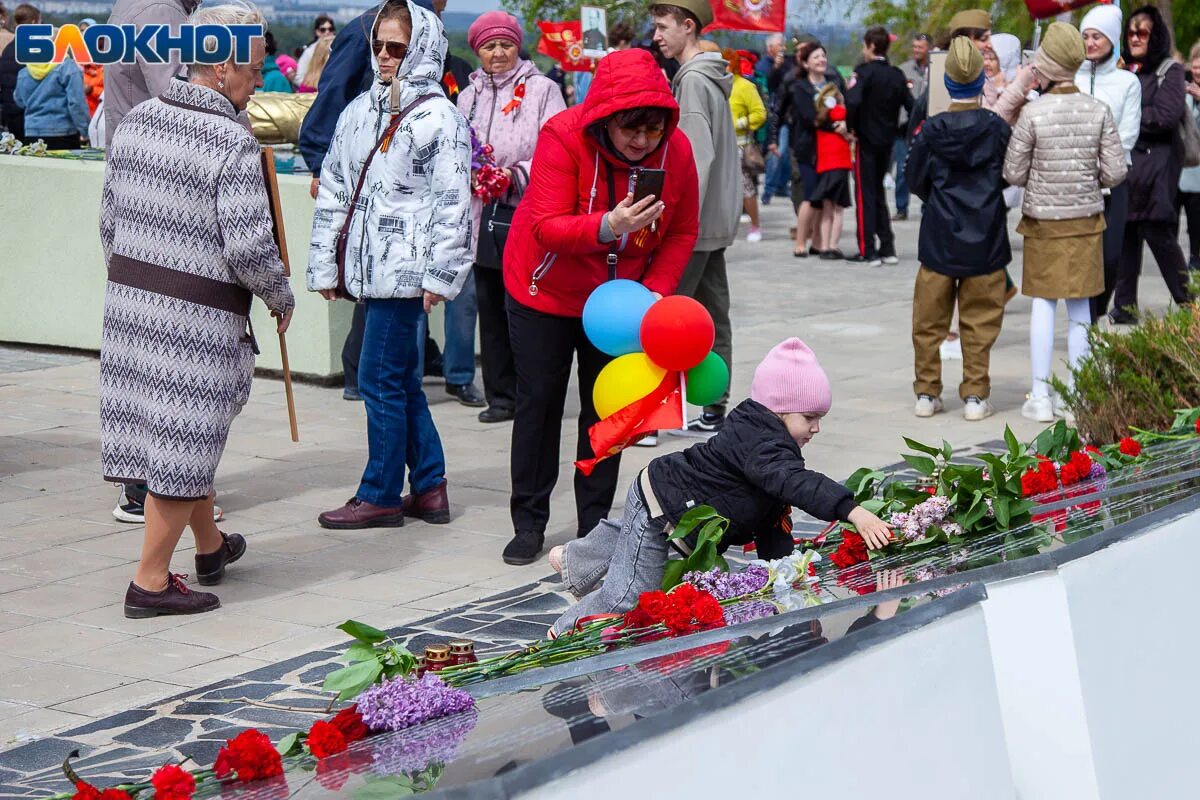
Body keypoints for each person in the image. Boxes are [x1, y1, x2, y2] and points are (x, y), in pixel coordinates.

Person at [100, 2, 294, 618]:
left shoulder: (135, 124)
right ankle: (150, 581)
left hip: (131, 308)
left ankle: (210, 548)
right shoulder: (231, 141)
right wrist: (278, 294)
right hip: (195, 320)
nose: (259, 83)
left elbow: (107, 224)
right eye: (255, 70)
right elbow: (247, 244)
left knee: (178, 435)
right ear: (225, 66)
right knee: (183, 441)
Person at [546, 338, 893, 635]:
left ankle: (574, 559)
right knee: (630, 595)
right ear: (780, 411)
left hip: (680, 499)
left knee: (626, 536)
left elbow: (773, 520)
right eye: (809, 418)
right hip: (662, 505)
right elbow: (797, 484)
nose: (816, 428)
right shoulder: (764, 448)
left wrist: (788, 579)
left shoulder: (772, 447)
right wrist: (853, 511)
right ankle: (561, 634)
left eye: (820, 419)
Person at [500, 47, 700, 564]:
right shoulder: (563, 136)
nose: (642, 141)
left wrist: (654, 291)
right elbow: (545, 226)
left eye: (652, 130)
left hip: (618, 304)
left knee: (605, 410)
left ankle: (594, 526)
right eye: (630, 129)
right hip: (545, 289)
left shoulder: (675, 152)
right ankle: (530, 520)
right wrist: (610, 226)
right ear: (605, 119)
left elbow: (681, 231)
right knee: (539, 402)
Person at [308, 0, 472, 531]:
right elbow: (334, 188)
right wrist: (326, 266)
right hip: (368, 268)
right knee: (399, 381)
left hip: (406, 275)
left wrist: (441, 276)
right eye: (378, 44)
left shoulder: (439, 117)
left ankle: (379, 492)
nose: (383, 56)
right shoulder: (360, 110)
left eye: (396, 47)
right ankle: (429, 487)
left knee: (379, 380)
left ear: (420, 48)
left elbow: (454, 202)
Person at [1003, 22, 1126, 423]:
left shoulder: (1034, 113)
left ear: (1047, 65)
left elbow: (1014, 171)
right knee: (1081, 311)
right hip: (1086, 220)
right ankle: (1077, 394)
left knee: (1043, 304)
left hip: (1042, 222)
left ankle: (1040, 393)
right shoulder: (1099, 110)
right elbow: (1115, 172)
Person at [458, 12, 566, 424]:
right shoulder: (467, 97)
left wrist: (514, 173)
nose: (498, 52)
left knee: (525, 303)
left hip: (526, 211)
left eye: (505, 44)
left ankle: (533, 391)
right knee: (488, 302)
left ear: (517, 46)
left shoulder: (542, 90)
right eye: (489, 46)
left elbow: (556, 148)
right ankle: (500, 396)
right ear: (478, 52)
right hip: (480, 214)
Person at [907, 37, 1011, 422]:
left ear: (947, 81)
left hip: (938, 236)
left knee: (928, 323)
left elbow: (915, 180)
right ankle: (975, 394)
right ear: (981, 80)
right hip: (986, 235)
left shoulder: (931, 130)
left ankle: (927, 391)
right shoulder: (997, 128)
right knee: (980, 322)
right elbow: (1007, 176)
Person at [652, 0, 739, 433]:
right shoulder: (712, 75)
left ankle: (652, 414)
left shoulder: (692, 82)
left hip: (695, 224)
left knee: (663, 318)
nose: (656, 36)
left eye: (663, 26)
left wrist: (674, 223)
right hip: (715, 221)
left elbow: (694, 160)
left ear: (689, 27)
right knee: (712, 314)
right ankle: (713, 408)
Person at [1111, 4, 1194, 322]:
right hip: (1130, 164)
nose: (1135, 37)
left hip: (1158, 165)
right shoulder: (1126, 70)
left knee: (1159, 233)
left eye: (1142, 31)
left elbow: (1166, 116)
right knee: (1128, 234)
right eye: (1131, 32)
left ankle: (1190, 304)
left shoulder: (1169, 70)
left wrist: (1129, 119)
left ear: (1155, 34)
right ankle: (1125, 306)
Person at [1074, 4, 1141, 322]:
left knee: (1111, 257)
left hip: (1114, 179)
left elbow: (1127, 135)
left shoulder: (1128, 83)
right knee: (1079, 257)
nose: (1089, 43)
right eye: (1085, 36)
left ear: (1112, 40)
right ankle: (1082, 322)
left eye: (1096, 37)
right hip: (1075, 180)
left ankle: (1096, 312)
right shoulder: (1071, 77)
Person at [770, 42, 845, 258]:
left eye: (823, 56)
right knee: (811, 195)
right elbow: (809, 118)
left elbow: (842, 108)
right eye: (815, 57)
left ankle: (819, 243)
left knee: (825, 198)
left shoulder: (833, 84)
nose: (821, 60)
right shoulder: (799, 87)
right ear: (805, 63)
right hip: (807, 148)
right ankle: (801, 242)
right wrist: (835, 126)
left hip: (830, 149)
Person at [845, 26, 912, 267]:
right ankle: (888, 247)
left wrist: (851, 127)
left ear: (871, 46)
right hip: (888, 140)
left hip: (866, 140)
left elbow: (852, 101)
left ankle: (867, 249)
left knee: (865, 194)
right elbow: (911, 105)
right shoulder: (896, 74)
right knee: (880, 195)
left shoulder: (863, 73)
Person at [104, 0, 199, 150]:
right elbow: (180, 99)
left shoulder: (133, 5)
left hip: (132, 148)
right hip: (154, 152)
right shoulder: (160, 10)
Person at [724, 47, 767, 243]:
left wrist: (740, 123)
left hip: (740, 145)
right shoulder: (716, 85)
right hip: (719, 145)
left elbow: (760, 113)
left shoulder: (744, 86)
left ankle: (755, 225)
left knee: (746, 188)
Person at [810, 83, 852, 259]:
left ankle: (824, 246)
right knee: (838, 210)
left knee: (827, 209)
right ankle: (834, 246)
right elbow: (847, 129)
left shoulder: (820, 118)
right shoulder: (840, 114)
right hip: (840, 164)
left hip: (824, 165)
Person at [15, 49, 89, 148]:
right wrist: (85, 131)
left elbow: (19, 100)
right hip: (63, 134)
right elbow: (76, 103)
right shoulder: (67, 67)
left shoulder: (24, 71)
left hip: (32, 134)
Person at [893, 33, 930, 222]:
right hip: (905, 128)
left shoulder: (937, 69)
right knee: (902, 169)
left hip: (929, 127)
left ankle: (927, 206)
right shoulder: (903, 70)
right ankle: (901, 207)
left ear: (928, 48)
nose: (916, 50)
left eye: (920, 47)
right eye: (914, 46)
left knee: (928, 168)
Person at [1, 3, 40, 140]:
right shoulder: (36, 51)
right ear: (34, 22)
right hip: (30, 116)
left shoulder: (8, 49)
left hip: (9, 113)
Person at [1180, 43, 1200, 272]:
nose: (1197, 72)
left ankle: (1195, 260)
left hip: (1198, 178)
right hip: (1180, 172)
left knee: (1196, 227)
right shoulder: (1183, 92)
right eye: (1195, 67)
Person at [296, 14, 336, 85]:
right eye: (323, 30)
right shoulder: (309, 52)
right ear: (317, 32)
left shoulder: (340, 48)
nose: (327, 32)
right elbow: (299, 77)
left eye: (330, 29)